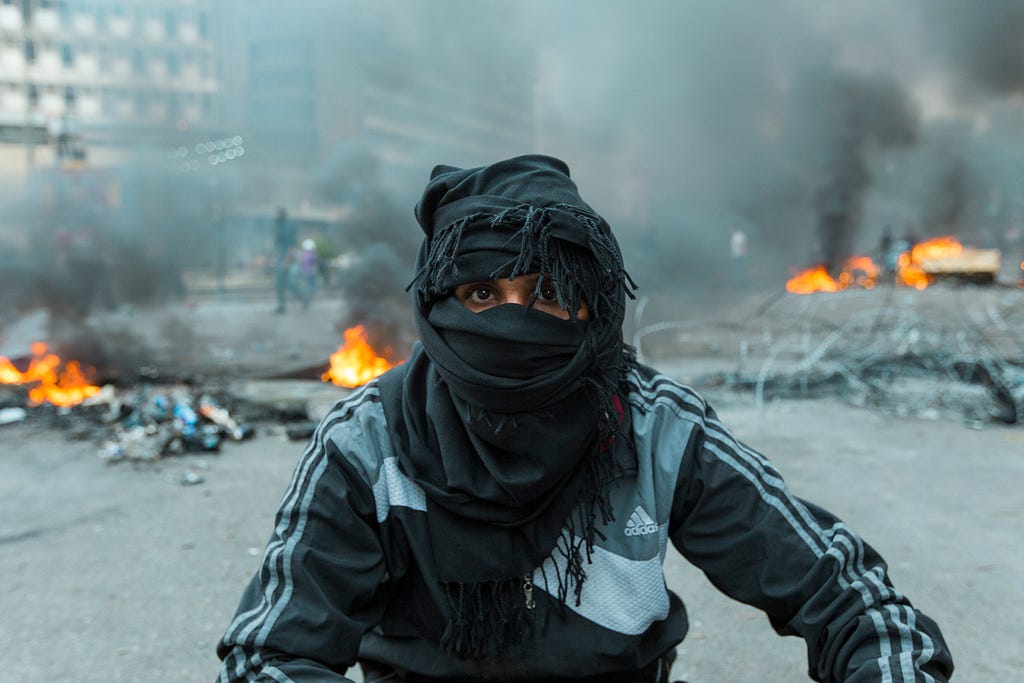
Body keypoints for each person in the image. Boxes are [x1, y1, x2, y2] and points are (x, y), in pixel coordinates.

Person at [217, 155, 953, 682]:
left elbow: (850, 598)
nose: (512, 320)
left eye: (544, 291)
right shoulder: (364, 443)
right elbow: (270, 657)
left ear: (589, 306)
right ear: (438, 304)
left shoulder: (656, 428)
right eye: (482, 295)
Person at [273, 207, 304, 313]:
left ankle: (304, 298)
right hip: (281, 258)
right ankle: (282, 305)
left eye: (277, 214)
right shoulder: (279, 226)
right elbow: (278, 244)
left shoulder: (288, 226)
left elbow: (292, 245)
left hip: (287, 259)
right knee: (280, 283)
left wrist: (287, 260)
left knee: (289, 283)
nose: (275, 216)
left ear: (282, 214)